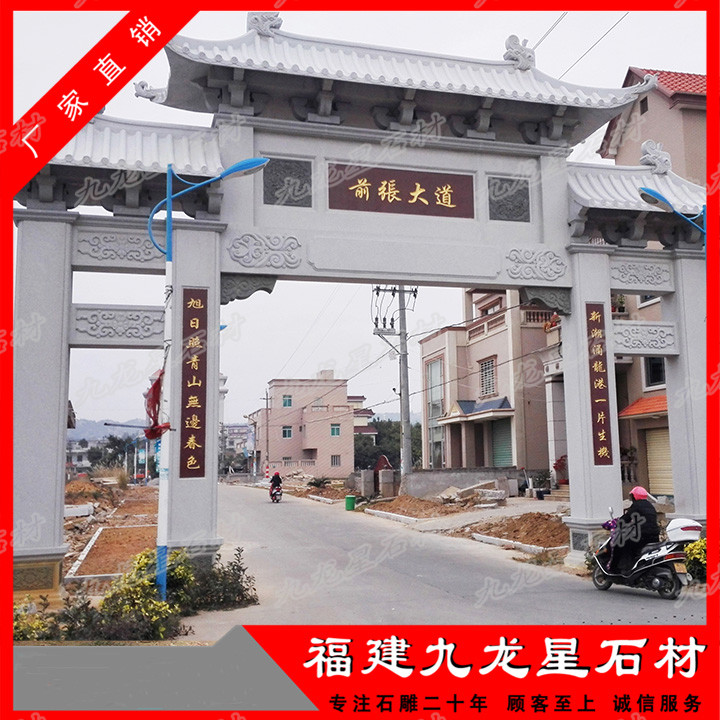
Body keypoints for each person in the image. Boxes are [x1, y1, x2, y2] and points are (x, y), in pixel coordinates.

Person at [610, 485, 660, 574]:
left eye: (632, 496)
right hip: (654, 535)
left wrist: (617, 523)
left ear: (635, 496)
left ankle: (617, 569)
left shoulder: (636, 505)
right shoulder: (650, 506)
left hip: (642, 535)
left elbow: (627, 518)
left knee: (619, 543)